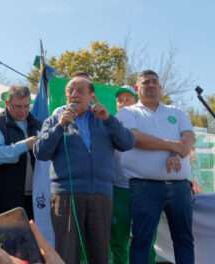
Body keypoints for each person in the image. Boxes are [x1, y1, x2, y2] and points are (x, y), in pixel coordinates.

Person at [34, 76, 134, 263]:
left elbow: (128, 143)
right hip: (66, 197)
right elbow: (41, 152)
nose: (74, 94)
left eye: (80, 90)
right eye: (70, 91)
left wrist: (109, 119)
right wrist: (60, 126)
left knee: (99, 254)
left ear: (92, 96)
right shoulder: (55, 119)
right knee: (67, 253)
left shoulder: (104, 118)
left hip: (101, 195)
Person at [117, 70, 195, 264]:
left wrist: (176, 153)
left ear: (160, 87)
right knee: (142, 241)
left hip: (180, 187)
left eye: (154, 82)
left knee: (184, 239)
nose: (151, 85)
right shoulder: (127, 112)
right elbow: (135, 138)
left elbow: (188, 139)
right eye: (146, 82)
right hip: (144, 187)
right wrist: (172, 145)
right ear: (137, 88)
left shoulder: (177, 112)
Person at [110, 85, 159, 264]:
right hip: (118, 188)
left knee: (145, 239)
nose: (123, 102)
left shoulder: (146, 121)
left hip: (144, 188)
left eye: (127, 99)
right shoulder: (109, 121)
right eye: (119, 99)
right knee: (118, 240)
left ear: (135, 100)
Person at [0, 85, 41, 219]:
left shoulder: (39, 124)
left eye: (26, 106)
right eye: (18, 106)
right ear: (7, 103)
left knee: (37, 240)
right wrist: (24, 145)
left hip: (36, 198)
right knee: (10, 240)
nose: (23, 111)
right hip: (6, 200)